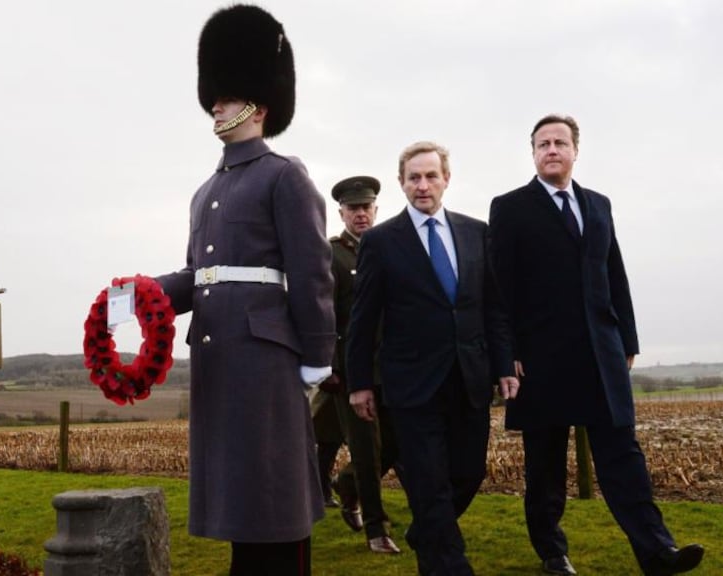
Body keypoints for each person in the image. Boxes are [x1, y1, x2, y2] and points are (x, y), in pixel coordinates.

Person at [154, 6, 335, 575]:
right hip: (220, 357)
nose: (216, 104)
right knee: (242, 500)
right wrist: (137, 294)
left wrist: (317, 358)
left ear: (258, 104)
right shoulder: (206, 190)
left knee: (274, 499)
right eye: (216, 95)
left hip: (265, 359)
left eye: (227, 97)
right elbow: (198, 276)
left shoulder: (285, 175)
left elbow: (312, 272)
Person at [489, 114, 704, 576]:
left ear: (575, 151)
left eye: (560, 142)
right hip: (540, 358)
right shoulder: (509, 208)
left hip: (600, 353)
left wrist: (626, 339)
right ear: (533, 153)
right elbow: (499, 289)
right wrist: (506, 353)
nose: (551, 149)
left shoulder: (599, 205)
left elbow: (615, 275)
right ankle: (552, 551)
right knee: (545, 464)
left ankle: (657, 552)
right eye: (542, 143)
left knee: (623, 456)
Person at [348, 142, 515, 575]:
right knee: (429, 483)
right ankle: (448, 565)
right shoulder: (382, 242)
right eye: (414, 178)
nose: (423, 186)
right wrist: (359, 382)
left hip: (470, 377)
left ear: (446, 179)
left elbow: (492, 307)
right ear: (402, 183)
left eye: (431, 176)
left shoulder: (477, 232)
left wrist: (502, 364)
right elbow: (362, 320)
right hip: (411, 384)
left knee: (468, 473)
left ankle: (426, 531)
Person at [320, 175, 403, 554]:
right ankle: (376, 529)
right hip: (352, 369)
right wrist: (329, 368)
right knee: (367, 449)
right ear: (341, 212)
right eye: (353, 209)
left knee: (396, 444)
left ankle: (347, 485)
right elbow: (323, 315)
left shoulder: (390, 247)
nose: (361, 214)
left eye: (366, 207)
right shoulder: (332, 254)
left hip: (392, 364)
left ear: (376, 209)